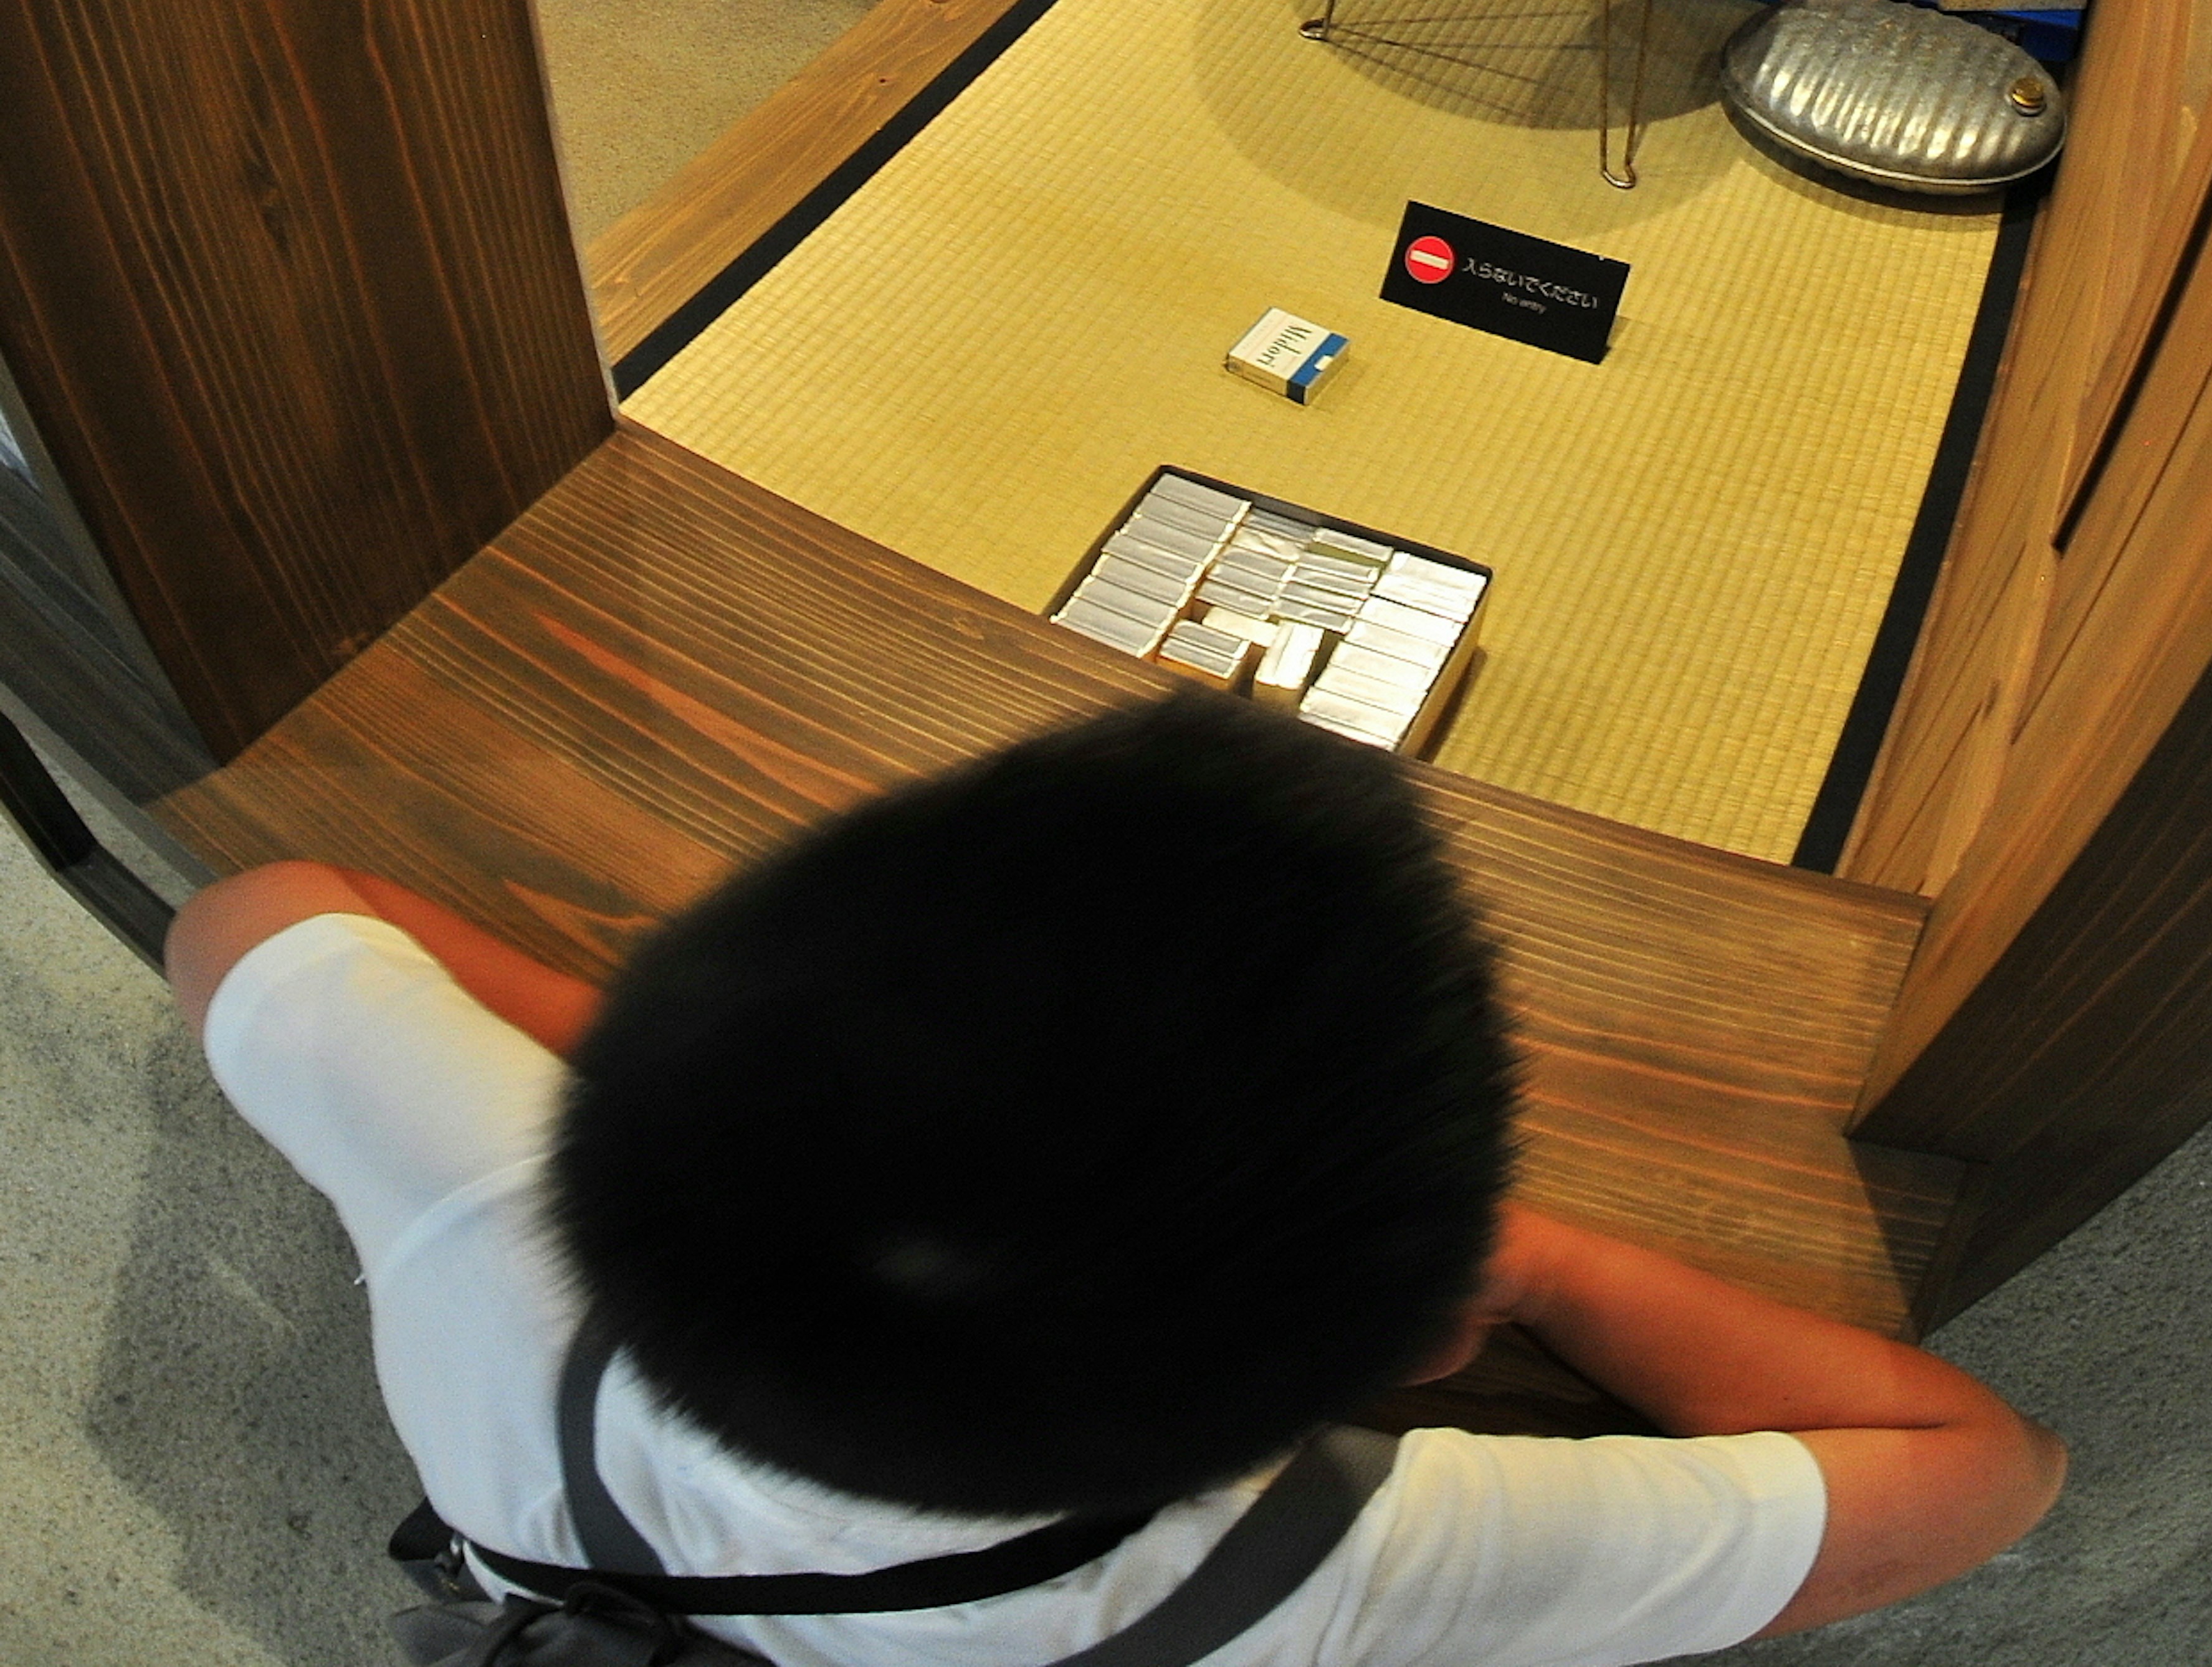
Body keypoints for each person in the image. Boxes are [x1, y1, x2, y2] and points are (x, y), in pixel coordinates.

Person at [169, 693, 2063, 1661]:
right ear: (1390, 1334)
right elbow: (1985, 1477)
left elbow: (255, 917)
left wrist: (661, 1083)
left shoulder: (487, 1212)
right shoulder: (1326, 1574)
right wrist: (1551, 1270)